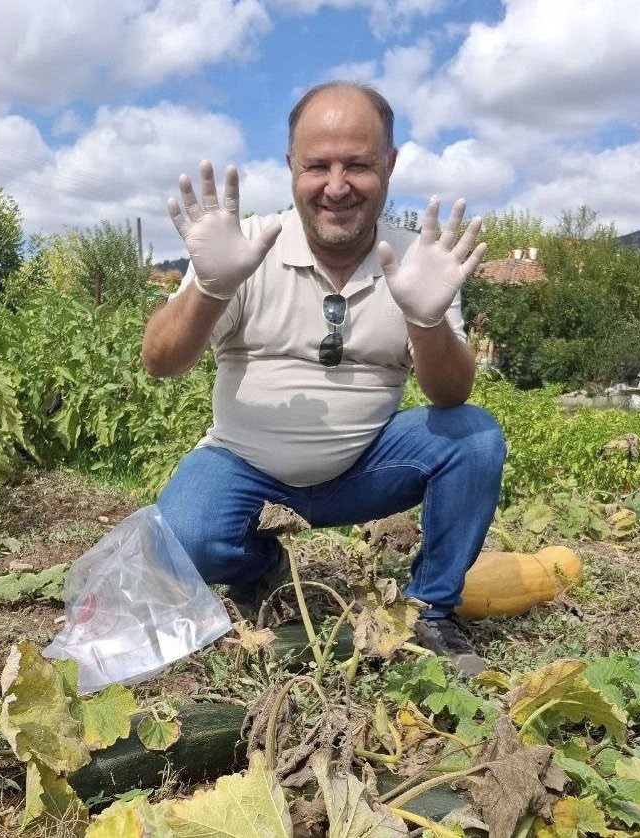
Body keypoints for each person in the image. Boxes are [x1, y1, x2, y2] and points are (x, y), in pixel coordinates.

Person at [142, 81, 506, 675]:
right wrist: (210, 288)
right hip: (244, 465)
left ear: (389, 165)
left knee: (474, 436)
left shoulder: (420, 261)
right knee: (187, 536)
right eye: (317, 166)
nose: (336, 186)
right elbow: (160, 361)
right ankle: (259, 568)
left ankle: (432, 609)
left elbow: (449, 395)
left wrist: (427, 317)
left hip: (367, 468)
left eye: (358, 165)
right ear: (291, 166)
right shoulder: (245, 246)